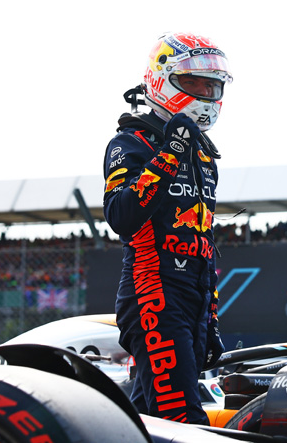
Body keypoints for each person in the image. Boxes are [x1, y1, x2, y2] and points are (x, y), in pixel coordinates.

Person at [103, 32, 232, 424]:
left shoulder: (204, 156)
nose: (204, 93)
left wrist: (210, 317)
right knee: (184, 422)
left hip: (193, 298)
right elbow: (121, 217)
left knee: (145, 421)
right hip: (153, 291)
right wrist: (170, 153)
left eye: (211, 85)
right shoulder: (130, 142)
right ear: (162, 79)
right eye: (193, 82)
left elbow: (203, 242)